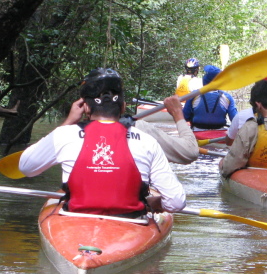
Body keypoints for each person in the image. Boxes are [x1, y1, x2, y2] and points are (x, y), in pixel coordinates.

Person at [19, 68, 186, 216]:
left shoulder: (64, 135)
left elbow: (26, 167)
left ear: (85, 107)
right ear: (122, 107)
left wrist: (67, 122)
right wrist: (154, 203)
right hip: (131, 221)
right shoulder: (147, 141)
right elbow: (176, 202)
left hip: (77, 218)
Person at [134, 95, 199, 164]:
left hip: (198, 130)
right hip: (200, 132)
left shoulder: (193, 97)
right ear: (123, 106)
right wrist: (177, 112)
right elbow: (190, 151)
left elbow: (187, 115)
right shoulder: (139, 128)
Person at [183, 65, 236, 130]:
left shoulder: (193, 95)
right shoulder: (227, 97)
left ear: (205, 80)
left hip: (197, 131)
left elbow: (185, 116)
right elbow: (235, 119)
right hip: (219, 133)